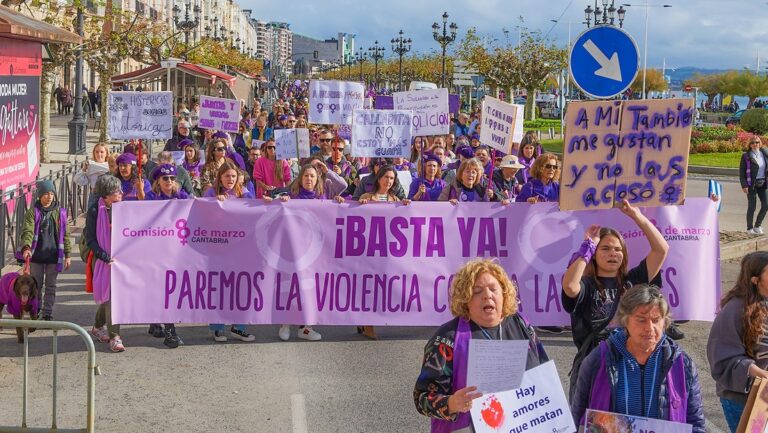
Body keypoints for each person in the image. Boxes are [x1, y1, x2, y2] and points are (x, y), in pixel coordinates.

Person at [414, 259, 548, 431]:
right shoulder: (446, 338)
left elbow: (544, 374)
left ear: (504, 294)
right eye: (477, 291)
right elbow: (422, 398)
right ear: (465, 300)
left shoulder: (521, 324)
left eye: (493, 289)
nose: (487, 295)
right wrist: (452, 403)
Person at [561, 200, 669, 399]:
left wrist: (637, 217)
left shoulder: (632, 281)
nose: (613, 253)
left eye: (618, 249)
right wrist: (588, 246)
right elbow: (569, 285)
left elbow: (661, 250)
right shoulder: (586, 285)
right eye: (605, 249)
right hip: (594, 368)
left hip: (631, 366)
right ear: (594, 255)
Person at [571, 284, 704, 431]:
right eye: (641, 320)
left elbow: (695, 423)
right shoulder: (598, 360)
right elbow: (578, 418)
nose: (649, 328)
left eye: (656, 320)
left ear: (665, 322)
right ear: (625, 321)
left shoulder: (682, 363)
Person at [708, 251, 768, 432]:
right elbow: (723, 357)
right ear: (755, 279)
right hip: (743, 399)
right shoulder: (735, 309)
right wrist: (759, 374)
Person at [264, 164, 325, 342]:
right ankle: (286, 323)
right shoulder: (291, 196)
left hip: (315, 250)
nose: (309, 179)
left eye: (312, 176)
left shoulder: (322, 198)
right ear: (300, 178)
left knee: (310, 288)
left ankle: (306, 328)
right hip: (292, 249)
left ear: (317, 179)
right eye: (306, 176)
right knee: (290, 286)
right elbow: (272, 204)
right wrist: (277, 201)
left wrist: (339, 199)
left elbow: (342, 187)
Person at [203, 162, 256, 342]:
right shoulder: (211, 193)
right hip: (217, 247)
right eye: (227, 176)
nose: (230, 180)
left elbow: (255, 210)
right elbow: (201, 214)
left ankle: (239, 327)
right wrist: (214, 204)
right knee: (219, 287)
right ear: (220, 177)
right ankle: (217, 327)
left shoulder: (244, 193)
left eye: (233, 176)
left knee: (241, 287)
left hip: (240, 248)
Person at [144, 164, 188, 348]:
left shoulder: (182, 196)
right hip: (156, 250)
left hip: (177, 250)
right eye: (165, 179)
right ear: (158, 181)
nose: (169, 181)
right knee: (161, 288)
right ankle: (169, 330)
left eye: (171, 178)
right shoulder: (151, 197)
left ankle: (159, 323)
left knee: (171, 289)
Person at [19, 180, 71, 321]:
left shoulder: (61, 213)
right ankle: (37, 309)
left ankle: (47, 313)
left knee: (51, 286)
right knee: (36, 286)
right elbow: (28, 231)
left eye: (51, 193)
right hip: (36, 256)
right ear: (40, 195)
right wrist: (27, 248)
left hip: (54, 256)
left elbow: (65, 235)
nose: (49, 196)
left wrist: (67, 255)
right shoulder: (33, 212)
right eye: (46, 193)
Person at [86, 175, 125, 352]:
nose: (121, 193)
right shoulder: (95, 211)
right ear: (107, 195)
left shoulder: (123, 208)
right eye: (117, 191)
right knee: (113, 298)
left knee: (109, 297)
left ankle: (97, 326)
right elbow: (91, 240)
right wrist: (104, 256)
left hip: (120, 258)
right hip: (103, 260)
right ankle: (115, 336)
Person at [739, 136, 768, 234]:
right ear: (750, 144)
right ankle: (749, 228)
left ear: (760, 143)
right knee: (752, 207)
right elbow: (742, 172)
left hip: (763, 183)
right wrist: (744, 185)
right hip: (751, 184)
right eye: (753, 143)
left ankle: (757, 226)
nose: (755, 144)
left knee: (766, 205)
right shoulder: (746, 156)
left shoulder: (764, 153)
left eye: (757, 142)